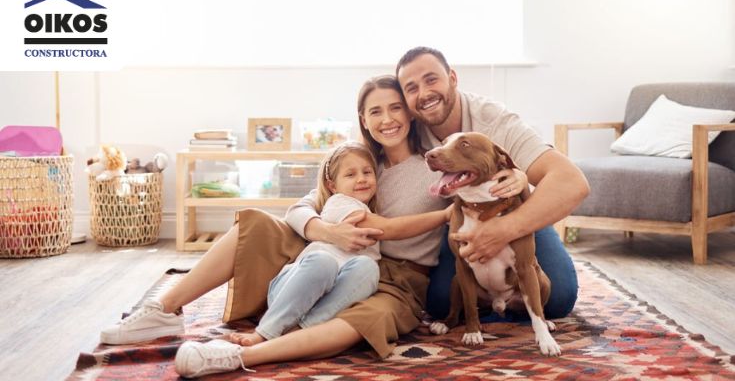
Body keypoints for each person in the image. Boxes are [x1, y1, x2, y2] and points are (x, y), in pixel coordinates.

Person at [171, 74, 529, 377]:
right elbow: (303, 206)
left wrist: (515, 175)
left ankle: (239, 356)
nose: (387, 119)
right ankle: (164, 310)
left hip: (400, 280)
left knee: (367, 320)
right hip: (338, 253)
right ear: (363, 118)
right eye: (376, 111)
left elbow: (483, 188)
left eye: (395, 108)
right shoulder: (359, 163)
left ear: (409, 115)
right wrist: (325, 230)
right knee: (257, 223)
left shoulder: (436, 165)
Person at [394, 46, 589, 320]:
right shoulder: (401, 128)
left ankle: (502, 305)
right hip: (460, 221)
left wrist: (505, 228)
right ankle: (494, 307)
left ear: (452, 77)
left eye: (431, 79)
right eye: (411, 88)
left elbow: (572, 182)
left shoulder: (494, 121)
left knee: (557, 298)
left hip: (511, 211)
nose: (424, 94)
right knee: (439, 303)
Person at [229, 141, 452, 346]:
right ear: (332, 185)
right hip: (294, 289)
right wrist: (443, 215)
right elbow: (389, 229)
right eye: (350, 175)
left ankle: (303, 329)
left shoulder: (366, 206)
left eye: (367, 172)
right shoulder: (339, 204)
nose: (362, 179)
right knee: (323, 262)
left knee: (368, 268)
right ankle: (265, 331)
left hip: (329, 297)